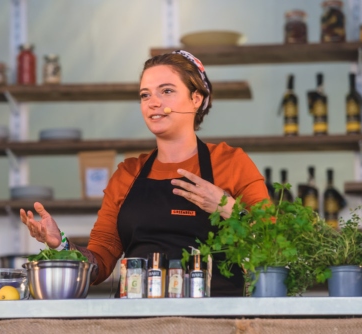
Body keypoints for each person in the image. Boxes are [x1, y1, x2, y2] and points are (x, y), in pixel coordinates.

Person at [20, 50, 269, 296]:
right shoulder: (128, 173)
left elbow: (273, 242)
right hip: (137, 319)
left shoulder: (231, 163)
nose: (153, 102)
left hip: (215, 318)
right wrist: (61, 245)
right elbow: (100, 263)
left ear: (196, 98)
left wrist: (226, 207)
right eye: (145, 95)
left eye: (167, 91)